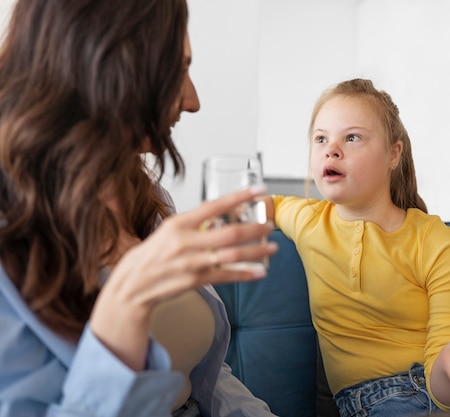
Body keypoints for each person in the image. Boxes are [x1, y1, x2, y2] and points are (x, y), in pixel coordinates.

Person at [0, 1, 280, 416]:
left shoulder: (146, 200)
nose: (193, 100)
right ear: (105, 65)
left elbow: (204, 379)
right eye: (176, 71)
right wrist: (124, 310)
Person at [266, 78, 450, 416]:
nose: (331, 149)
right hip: (372, 401)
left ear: (393, 154)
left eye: (352, 137)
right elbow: (262, 205)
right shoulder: (307, 220)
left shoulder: (439, 244)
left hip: (433, 395)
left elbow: (444, 384)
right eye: (321, 138)